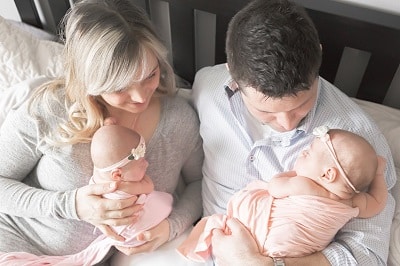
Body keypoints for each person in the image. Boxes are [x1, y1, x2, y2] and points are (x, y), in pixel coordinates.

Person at [191, 0, 396, 265]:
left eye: (301, 106)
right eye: (266, 112)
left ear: (318, 58)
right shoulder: (207, 86)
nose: (287, 124)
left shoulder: (359, 144)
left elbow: (369, 255)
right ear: (231, 72)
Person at [0, 0, 203, 263]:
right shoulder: (50, 109)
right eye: (120, 87)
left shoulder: (178, 120)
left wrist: (171, 227)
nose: (141, 97)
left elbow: (201, 182)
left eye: (150, 75)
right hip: (17, 241)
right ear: (90, 81)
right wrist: (72, 205)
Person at [177, 127, 388, 262]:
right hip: (293, 254)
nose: (302, 153)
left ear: (328, 174)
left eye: (308, 154)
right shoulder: (353, 203)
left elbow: (274, 188)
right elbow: (378, 202)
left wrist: (292, 173)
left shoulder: (305, 185)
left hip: (269, 240)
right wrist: (378, 174)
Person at [0, 124, 173, 265]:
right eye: (142, 160)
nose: (147, 162)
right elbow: (149, 188)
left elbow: (197, 183)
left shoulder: (102, 169)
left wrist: (172, 227)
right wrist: (70, 205)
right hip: (10, 240)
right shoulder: (52, 113)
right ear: (117, 175)